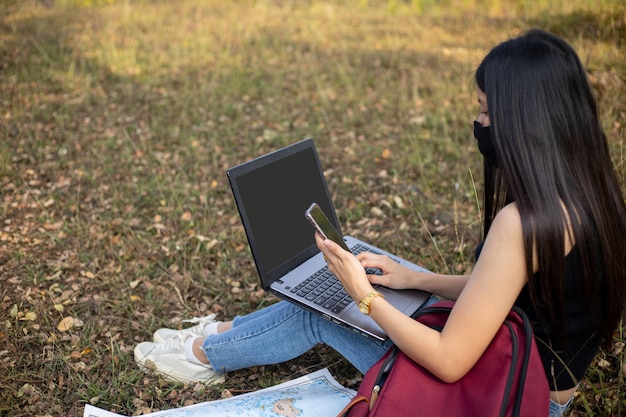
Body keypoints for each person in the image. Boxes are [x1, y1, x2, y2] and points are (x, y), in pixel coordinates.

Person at [134, 29, 626, 417]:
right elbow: (508, 290)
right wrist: (414, 279)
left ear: (525, 121)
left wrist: (363, 298)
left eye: (484, 111)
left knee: (324, 310)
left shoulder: (523, 221)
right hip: (527, 376)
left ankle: (203, 355)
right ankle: (227, 330)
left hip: (504, 396)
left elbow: (450, 362)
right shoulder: (589, 192)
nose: (478, 123)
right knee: (363, 286)